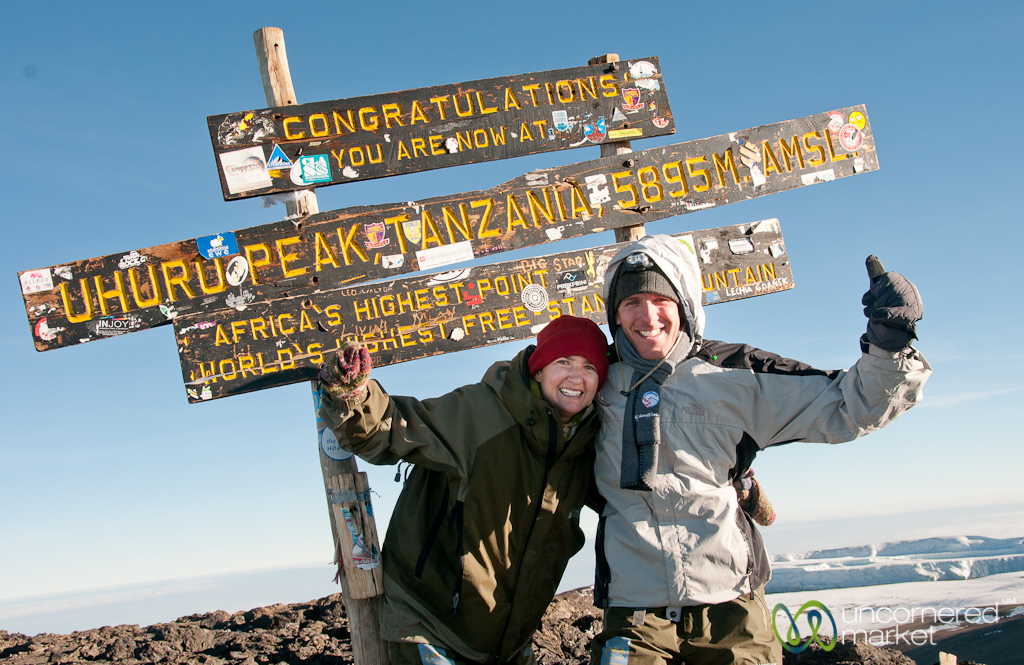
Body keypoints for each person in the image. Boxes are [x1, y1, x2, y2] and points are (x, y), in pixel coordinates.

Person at [589, 235, 931, 665]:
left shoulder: (735, 374)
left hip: (731, 604)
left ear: (685, 304)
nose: (647, 315)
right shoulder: (589, 379)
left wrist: (890, 345)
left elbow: (847, 405)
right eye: (631, 302)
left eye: (661, 299)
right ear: (614, 313)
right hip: (633, 610)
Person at [317, 315, 610, 665]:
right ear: (538, 369)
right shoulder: (481, 413)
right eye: (563, 362)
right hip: (431, 626)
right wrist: (353, 396)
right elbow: (393, 428)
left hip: (508, 643)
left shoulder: (587, 445)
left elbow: (630, 502)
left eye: (589, 366)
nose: (576, 377)